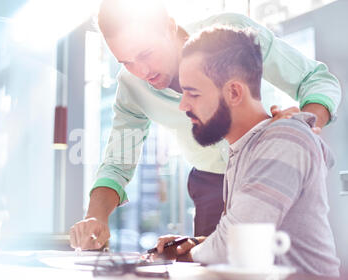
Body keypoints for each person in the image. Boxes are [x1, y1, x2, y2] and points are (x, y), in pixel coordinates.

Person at [69, 0, 342, 250]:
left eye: (146, 53)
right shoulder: (131, 86)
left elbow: (316, 80)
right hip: (210, 185)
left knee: (283, 266)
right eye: (126, 62)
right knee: (212, 279)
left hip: (267, 170)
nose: (141, 71)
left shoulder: (233, 35)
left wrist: (301, 130)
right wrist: (95, 218)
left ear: (169, 26)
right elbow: (118, 162)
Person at [155, 26, 340, 276]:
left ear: (233, 92)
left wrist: (185, 255)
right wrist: (198, 243)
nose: (183, 105)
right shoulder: (244, 149)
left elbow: (232, 246)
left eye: (193, 93)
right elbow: (241, 238)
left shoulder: (283, 139)